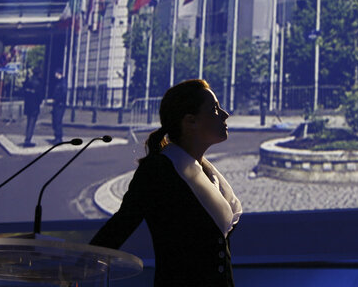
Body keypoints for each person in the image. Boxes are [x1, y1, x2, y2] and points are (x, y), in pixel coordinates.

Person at [90, 79, 241, 287]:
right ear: (190, 121)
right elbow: (119, 226)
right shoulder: (158, 170)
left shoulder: (210, 173)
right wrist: (81, 266)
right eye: (215, 109)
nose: (225, 115)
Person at [22, 69, 43, 147]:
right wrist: (39, 102)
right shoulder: (38, 83)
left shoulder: (28, 81)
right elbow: (40, 96)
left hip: (28, 105)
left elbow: (24, 92)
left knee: (28, 122)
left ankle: (27, 137)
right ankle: (28, 139)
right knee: (32, 122)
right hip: (34, 105)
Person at [50, 70, 68, 143]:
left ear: (58, 74)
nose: (55, 75)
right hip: (57, 104)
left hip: (60, 104)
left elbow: (63, 93)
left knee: (58, 120)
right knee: (55, 120)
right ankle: (56, 136)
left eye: (56, 73)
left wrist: (57, 100)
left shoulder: (63, 82)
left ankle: (59, 137)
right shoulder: (59, 82)